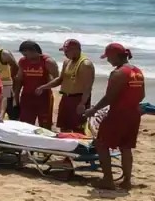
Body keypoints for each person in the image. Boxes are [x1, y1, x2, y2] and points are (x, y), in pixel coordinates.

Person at [83, 43, 145, 191]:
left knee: (102, 144)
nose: (108, 61)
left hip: (118, 114)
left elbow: (109, 97)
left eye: (108, 57)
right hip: (134, 113)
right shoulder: (137, 71)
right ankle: (127, 181)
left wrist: (94, 109)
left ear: (116, 56)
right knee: (126, 147)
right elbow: (142, 95)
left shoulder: (118, 73)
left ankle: (108, 180)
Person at [38, 39, 95, 133]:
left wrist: (82, 103)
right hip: (65, 98)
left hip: (78, 98)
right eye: (64, 51)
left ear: (76, 50)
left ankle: (78, 147)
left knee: (78, 129)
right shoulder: (67, 61)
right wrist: (43, 87)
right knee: (63, 127)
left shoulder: (85, 64)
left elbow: (88, 87)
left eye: (67, 51)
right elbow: (60, 79)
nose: (65, 53)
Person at [16, 40, 59, 129]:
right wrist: (16, 96)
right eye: (23, 55)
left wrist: (44, 87)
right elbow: (19, 79)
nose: (25, 57)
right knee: (25, 125)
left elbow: (58, 80)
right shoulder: (22, 61)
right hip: (27, 97)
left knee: (45, 125)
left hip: (44, 97)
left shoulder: (48, 62)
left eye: (26, 54)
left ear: (34, 51)